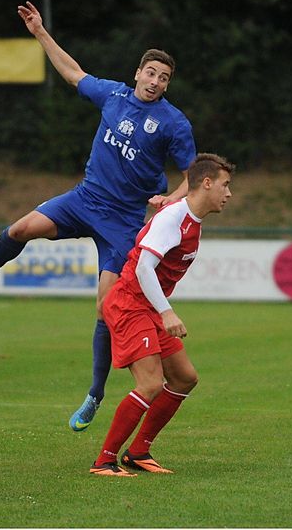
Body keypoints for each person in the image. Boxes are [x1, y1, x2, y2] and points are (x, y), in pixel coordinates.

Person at [0, 1, 197, 432]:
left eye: (164, 78)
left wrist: (171, 200)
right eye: (151, 73)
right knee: (20, 228)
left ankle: (95, 394)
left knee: (105, 307)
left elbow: (193, 176)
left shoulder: (173, 123)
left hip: (124, 222)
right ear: (138, 73)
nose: (156, 81)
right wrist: (40, 32)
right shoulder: (113, 95)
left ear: (167, 84)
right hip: (85, 199)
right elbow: (72, 73)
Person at [90, 153, 234, 477]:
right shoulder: (174, 218)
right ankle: (104, 461)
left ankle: (138, 452)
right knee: (150, 383)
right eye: (225, 185)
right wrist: (167, 313)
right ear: (206, 183)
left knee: (184, 378)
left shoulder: (189, 218)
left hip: (147, 307)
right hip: (129, 304)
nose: (228, 193)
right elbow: (144, 267)